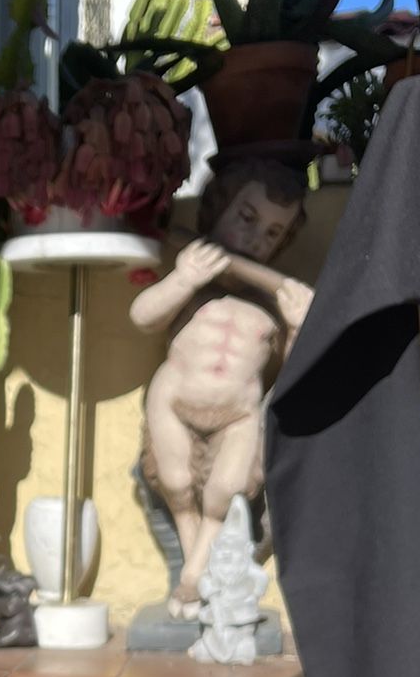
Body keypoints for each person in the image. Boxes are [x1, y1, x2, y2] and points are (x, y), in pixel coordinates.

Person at [131, 157, 313, 618]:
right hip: (173, 400)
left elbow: (289, 375)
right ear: (216, 209)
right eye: (247, 218)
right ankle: (197, 573)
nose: (255, 238)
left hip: (238, 413)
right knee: (174, 481)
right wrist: (183, 279)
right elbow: (143, 316)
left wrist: (294, 330)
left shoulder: (271, 304)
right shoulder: (193, 277)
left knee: (227, 492)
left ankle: (193, 577)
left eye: (273, 233)